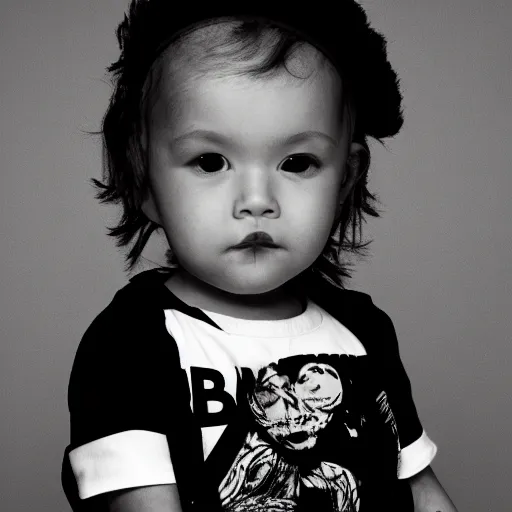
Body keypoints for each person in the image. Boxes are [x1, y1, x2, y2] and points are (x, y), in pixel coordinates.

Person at [61, 2, 459, 511]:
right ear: (141, 177)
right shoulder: (132, 344)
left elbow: (420, 491)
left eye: (297, 162)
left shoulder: (365, 332)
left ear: (346, 180)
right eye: (210, 161)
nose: (256, 199)